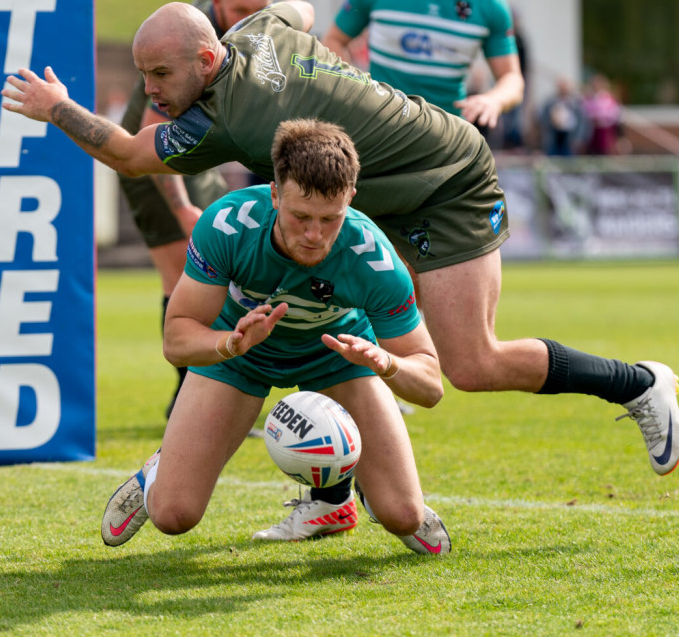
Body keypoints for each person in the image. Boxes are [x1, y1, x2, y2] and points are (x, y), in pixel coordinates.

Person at [2, 1, 679, 481]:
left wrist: (54, 108)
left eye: (161, 77)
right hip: (368, 189)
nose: (151, 94)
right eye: (145, 76)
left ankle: (639, 383)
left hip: (444, 179)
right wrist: (332, 72)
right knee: (332, 319)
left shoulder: (232, 124)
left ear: (208, 59)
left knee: (471, 363)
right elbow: (297, 9)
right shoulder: (253, 32)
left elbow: (127, 153)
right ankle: (329, 495)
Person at [100, 119, 451, 554]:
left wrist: (386, 363)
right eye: (300, 216)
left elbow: (431, 385)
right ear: (274, 193)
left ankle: (348, 498)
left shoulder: (374, 258)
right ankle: (157, 470)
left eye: (330, 219)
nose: (314, 234)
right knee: (174, 515)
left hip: (339, 358)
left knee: (404, 516)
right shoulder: (228, 225)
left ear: (351, 200)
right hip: (240, 355)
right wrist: (230, 342)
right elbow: (176, 340)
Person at [117, 0, 275, 417]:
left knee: (222, 284)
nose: (250, 17)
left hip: (194, 161)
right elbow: (153, 133)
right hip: (154, 169)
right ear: (218, 3)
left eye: (260, 10)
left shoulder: (247, 35)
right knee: (184, 286)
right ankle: (187, 406)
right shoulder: (182, 35)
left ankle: (204, 401)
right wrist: (183, 208)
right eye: (241, 8)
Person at [322, 0, 524, 131]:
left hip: (448, 134)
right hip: (379, 128)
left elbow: (512, 79)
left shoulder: (489, 0)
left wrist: (494, 100)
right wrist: (354, 89)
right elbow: (333, 40)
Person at [539, 77, 587, 157]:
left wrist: (579, 138)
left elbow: (582, 121)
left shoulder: (575, 103)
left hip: (570, 137)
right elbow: (543, 118)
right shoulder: (551, 102)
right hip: (554, 135)